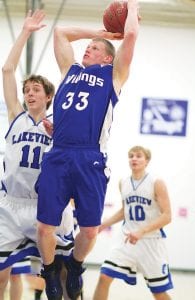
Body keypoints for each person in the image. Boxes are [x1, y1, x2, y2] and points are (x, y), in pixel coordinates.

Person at [36, 0, 140, 299]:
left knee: (91, 230)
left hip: (90, 156)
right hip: (59, 152)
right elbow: (60, 32)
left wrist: (131, 8)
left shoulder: (113, 76)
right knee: (45, 226)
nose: (88, 49)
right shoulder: (70, 70)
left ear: (108, 59)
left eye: (95, 48)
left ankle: (77, 264)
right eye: (88, 47)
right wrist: (99, 33)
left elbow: (131, 37)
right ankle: (50, 270)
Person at [0, 10, 74, 300]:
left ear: (48, 96)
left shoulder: (61, 122)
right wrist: (26, 32)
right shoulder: (16, 116)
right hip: (12, 204)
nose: (30, 93)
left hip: (48, 205)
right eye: (27, 90)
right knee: (2, 272)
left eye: (36, 89)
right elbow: (7, 69)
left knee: (65, 271)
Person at [93, 145, 174, 300]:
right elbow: (125, 211)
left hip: (151, 242)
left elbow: (167, 216)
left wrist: (141, 231)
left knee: (158, 292)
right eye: (131, 156)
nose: (134, 159)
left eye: (138, 156)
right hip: (127, 240)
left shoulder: (156, 182)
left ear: (147, 161)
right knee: (104, 276)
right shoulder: (123, 182)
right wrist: (103, 224)